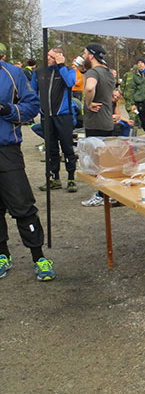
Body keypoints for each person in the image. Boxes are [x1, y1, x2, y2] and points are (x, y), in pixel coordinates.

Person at [0, 42, 55, 281]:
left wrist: (7, 109)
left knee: (22, 205)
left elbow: (32, 105)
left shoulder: (13, 73)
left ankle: (39, 257)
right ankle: (2, 255)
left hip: (6, 149)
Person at [31, 48, 78, 193]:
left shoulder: (68, 70)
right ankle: (54, 178)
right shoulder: (39, 72)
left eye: (52, 56)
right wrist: (38, 107)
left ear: (59, 57)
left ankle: (71, 178)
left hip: (63, 115)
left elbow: (71, 83)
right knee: (51, 149)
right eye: (48, 55)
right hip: (46, 116)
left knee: (67, 148)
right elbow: (32, 91)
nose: (48, 58)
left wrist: (61, 66)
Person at [80, 43, 116, 207]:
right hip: (107, 120)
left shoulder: (93, 72)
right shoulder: (108, 72)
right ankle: (108, 193)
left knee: (97, 161)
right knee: (106, 160)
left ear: (91, 56)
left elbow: (89, 88)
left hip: (95, 121)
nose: (83, 55)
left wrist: (89, 102)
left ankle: (102, 195)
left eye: (85, 53)